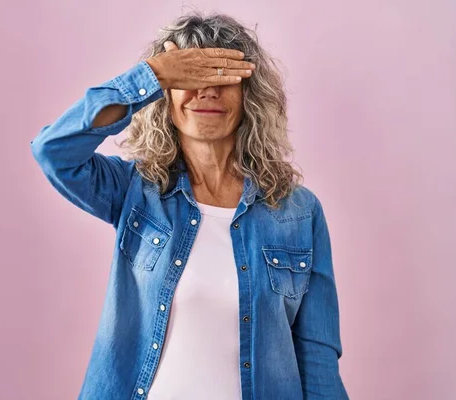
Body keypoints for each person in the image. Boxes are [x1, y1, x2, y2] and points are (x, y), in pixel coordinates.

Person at [30, 11, 349, 400]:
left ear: (249, 95)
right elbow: (53, 151)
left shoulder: (299, 212)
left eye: (222, 77)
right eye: (190, 77)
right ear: (166, 96)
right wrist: (152, 76)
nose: (207, 91)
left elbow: (317, 358)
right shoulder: (134, 191)